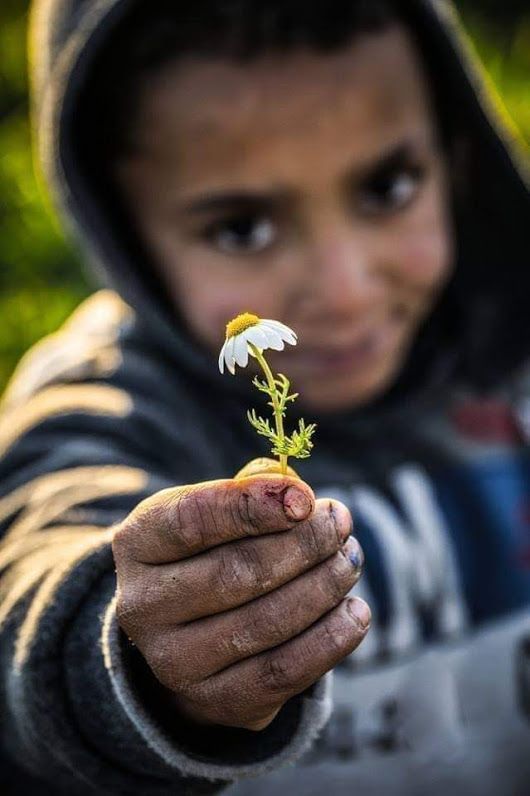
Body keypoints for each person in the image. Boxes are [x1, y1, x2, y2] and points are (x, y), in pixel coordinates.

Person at [0, 0, 529, 793]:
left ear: (455, 158)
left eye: (388, 187)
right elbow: (32, 578)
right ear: (125, 232)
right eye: (242, 228)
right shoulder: (110, 408)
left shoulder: (511, 345)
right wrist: (135, 655)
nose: (345, 291)